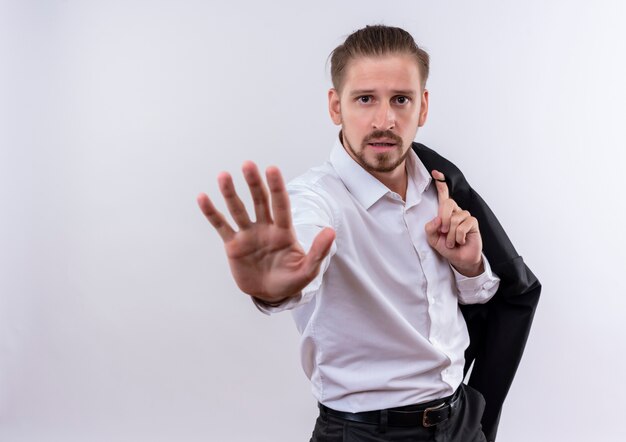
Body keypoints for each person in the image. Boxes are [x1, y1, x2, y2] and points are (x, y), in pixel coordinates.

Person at [197, 25, 540, 442]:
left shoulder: (442, 187)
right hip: (367, 434)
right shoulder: (315, 199)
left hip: (461, 421)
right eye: (365, 99)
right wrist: (277, 288)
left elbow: (478, 300)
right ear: (335, 106)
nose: (384, 120)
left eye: (401, 99)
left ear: (423, 106)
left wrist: (469, 268)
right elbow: (304, 245)